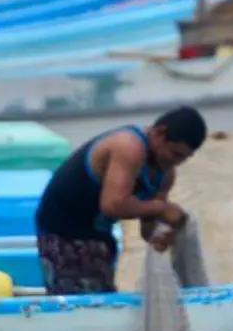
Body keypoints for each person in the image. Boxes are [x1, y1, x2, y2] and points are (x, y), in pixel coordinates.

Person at [34, 106, 208, 295]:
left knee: (103, 293)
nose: (176, 162)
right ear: (159, 133)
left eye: (184, 158)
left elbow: (148, 229)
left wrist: (162, 234)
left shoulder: (165, 174)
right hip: (62, 229)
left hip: (98, 233)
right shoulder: (128, 147)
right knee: (84, 301)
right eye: (175, 154)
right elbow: (112, 205)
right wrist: (162, 208)